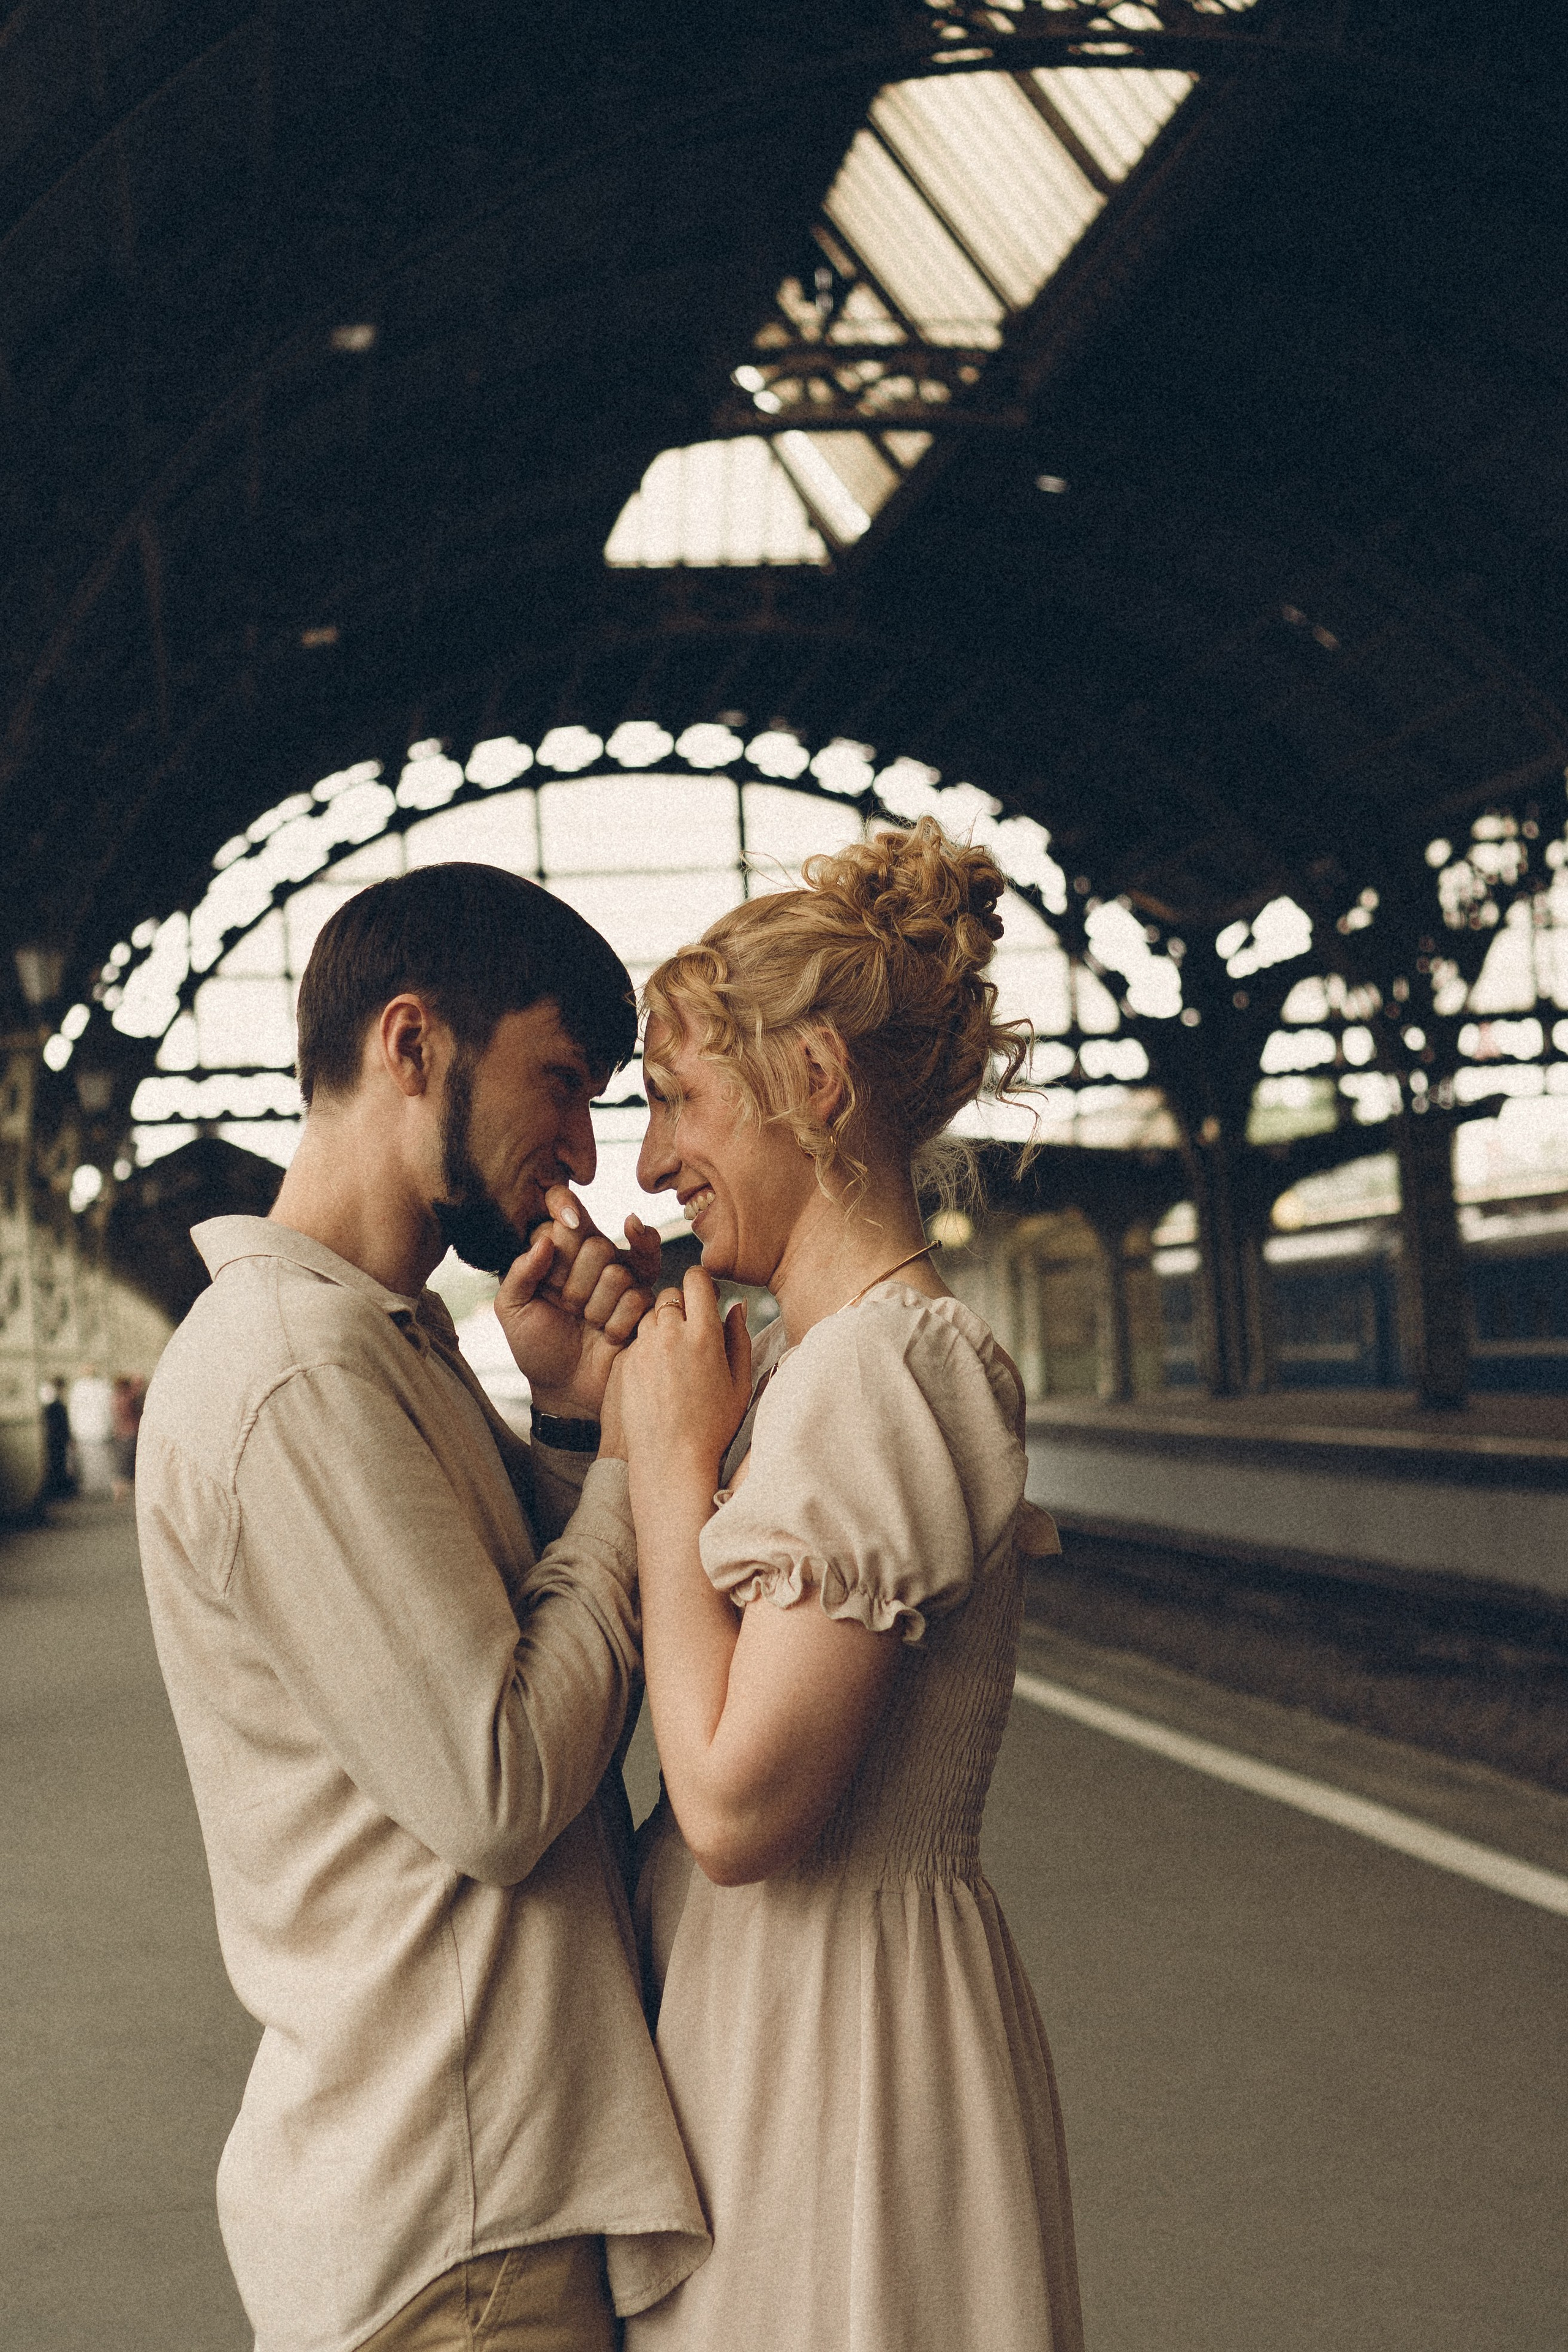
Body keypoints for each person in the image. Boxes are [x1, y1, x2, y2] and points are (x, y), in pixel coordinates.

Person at [137, 862, 707, 2352]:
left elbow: (569, 1649)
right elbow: (506, 1781)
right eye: (562, 1082)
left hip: (475, 2193)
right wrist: (644, 1452)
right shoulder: (296, 1372)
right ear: (412, 1045)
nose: (587, 1153)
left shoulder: (382, 1346)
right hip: (455, 2234)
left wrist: (577, 1424)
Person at [609, 816, 1083, 2352]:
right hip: (824, 2022)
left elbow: (741, 1809)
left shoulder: (871, 1377)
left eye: (678, 1102)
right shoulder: (846, 1372)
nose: (649, 1162)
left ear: (810, 1086)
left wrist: (668, 1466)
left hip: (834, 2048)